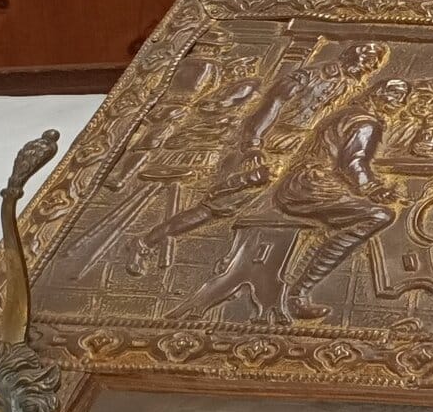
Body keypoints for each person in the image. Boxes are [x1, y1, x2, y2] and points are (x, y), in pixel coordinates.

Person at [125, 40, 388, 276]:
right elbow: (271, 106)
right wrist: (253, 146)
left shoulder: (351, 85)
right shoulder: (308, 76)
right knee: (216, 207)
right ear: (350, 55)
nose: (369, 67)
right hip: (270, 146)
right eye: (366, 59)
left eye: (373, 64)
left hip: (299, 151)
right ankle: (146, 241)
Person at [271, 77, 411, 321]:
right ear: (377, 93)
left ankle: (321, 247)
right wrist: (374, 189)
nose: (400, 102)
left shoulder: (347, 114)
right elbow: (352, 163)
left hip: (304, 181)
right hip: (310, 186)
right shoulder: (364, 123)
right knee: (379, 215)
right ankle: (298, 291)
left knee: (368, 211)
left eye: (402, 97)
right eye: (395, 94)